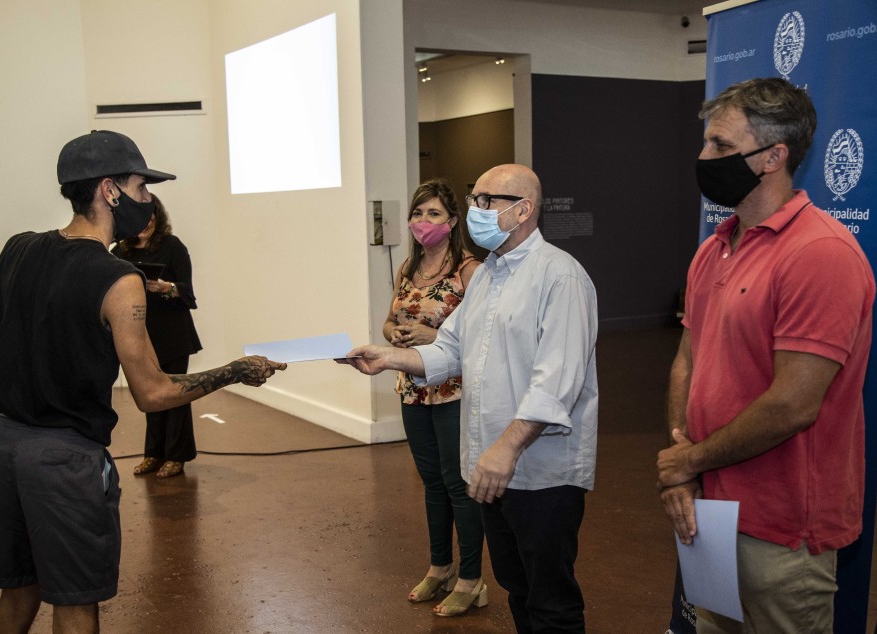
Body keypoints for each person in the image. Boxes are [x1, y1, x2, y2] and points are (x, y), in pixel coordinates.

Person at [0, 129, 286, 634]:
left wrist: (36, 385)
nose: (148, 199)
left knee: (19, 589)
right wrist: (235, 372)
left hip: (4, 449)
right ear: (109, 191)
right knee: (74, 601)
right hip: (65, 462)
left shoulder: (17, 250)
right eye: (141, 188)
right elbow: (153, 393)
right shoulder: (118, 278)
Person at [340, 164, 598, 633]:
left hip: (540, 472)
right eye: (473, 199)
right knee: (517, 588)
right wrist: (389, 357)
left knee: (551, 600)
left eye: (485, 201)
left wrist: (506, 449)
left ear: (523, 210)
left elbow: (556, 383)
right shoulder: (488, 277)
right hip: (491, 469)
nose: (475, 211)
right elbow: (449, 350)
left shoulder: (560, 277)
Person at [657, 78, 874, 633]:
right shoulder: (714, 247)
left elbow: (794, 404)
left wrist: (689, 461)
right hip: (710, 512)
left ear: (774, 156)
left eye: (723, 147)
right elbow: (688, 359)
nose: (705, 158)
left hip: (781, 528)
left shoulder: (820, 253)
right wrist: (684, 465)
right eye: (706, 143)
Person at [383, 179, 483, 616]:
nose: (424, 222)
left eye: (434, 214)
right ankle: (440, 567)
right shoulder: (408, 266)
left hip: (453, 388)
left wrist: (434, 335)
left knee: (459, 484)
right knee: (431, 482)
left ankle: (472, 579)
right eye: (419, 213)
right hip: (413, 387)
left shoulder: (469, 271)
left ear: (453, 221)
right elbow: (389, 320)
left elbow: (484, 333)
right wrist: (397, 335)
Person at [113, 194, 202, 478]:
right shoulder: (119, 253)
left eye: (151, 219)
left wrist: (167, 288)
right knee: (149, 394)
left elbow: (188, 292)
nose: (146, 224)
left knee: (176, 395)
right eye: (141, 219)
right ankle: (153, 453)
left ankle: (177, 456)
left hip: (173, 334)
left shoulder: (172, 246)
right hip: (140, 335)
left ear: (157, 218)